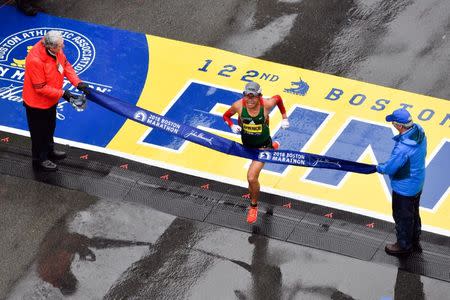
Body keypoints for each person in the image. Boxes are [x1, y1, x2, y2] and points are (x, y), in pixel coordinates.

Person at [22, 30, 90, 171]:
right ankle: (40, 159)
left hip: (50, 100)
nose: (62, 48)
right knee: (38, 133)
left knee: (49, 127)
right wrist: (63, 93)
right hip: (36, 104)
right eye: (60, 46)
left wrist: (78, 83)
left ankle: (49, 151)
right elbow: (40, 88)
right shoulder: (35, 60)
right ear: (50, 47)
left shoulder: (55, 51)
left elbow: (65, 65)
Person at [223, 82, 289, 224]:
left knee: (251, 178)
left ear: (260, 96)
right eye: (247, 96)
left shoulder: (266, 105)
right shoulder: (239, 105)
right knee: (250, 182)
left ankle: (253, 206)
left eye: (253, 97)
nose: (250, 100)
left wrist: (284, 117)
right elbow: (226, 116)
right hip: (246, 146)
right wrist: (231, 125)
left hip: (261, 148)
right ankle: (274, 147)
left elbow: (278, 98)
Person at [377, 108, 427, 256]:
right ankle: (414, 239)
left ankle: (404, 245)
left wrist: (379, 168)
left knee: (402, 217)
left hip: (404, 188)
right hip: (417, 181)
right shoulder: (420, 132)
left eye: (393, 122)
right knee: (414, 213)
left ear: (399, 126)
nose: (392, 124)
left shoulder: (403, 148)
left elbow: (390, 168)